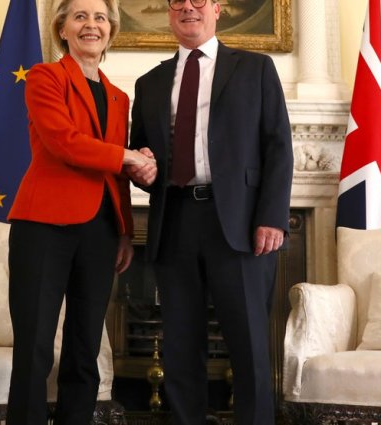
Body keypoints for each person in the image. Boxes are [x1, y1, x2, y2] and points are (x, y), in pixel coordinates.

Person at [126, 0, 293, 421]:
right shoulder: (149, 83)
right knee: (181, 345)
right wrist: (142, 168)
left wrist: (271, 216)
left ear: (217, 9)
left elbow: (278, 146)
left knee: (249, 343)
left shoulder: (255, 69)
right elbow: (141, 158)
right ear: (169, 13)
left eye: (198, 0)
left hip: (239, 223)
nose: (188, 7)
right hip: (174, 221)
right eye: (178, 2)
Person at [5, 0, 155, 422]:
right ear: (63, 29)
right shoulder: (45, 77)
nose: (92, 25)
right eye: (80, 16)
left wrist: (124, 230)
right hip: (43, 226)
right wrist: (129, 155)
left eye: (100, 17)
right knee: (35, 346)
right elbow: (64, 142)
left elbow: (115, 174)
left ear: (111, 30)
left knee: (85, 346)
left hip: (101, 230)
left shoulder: (119, 97)